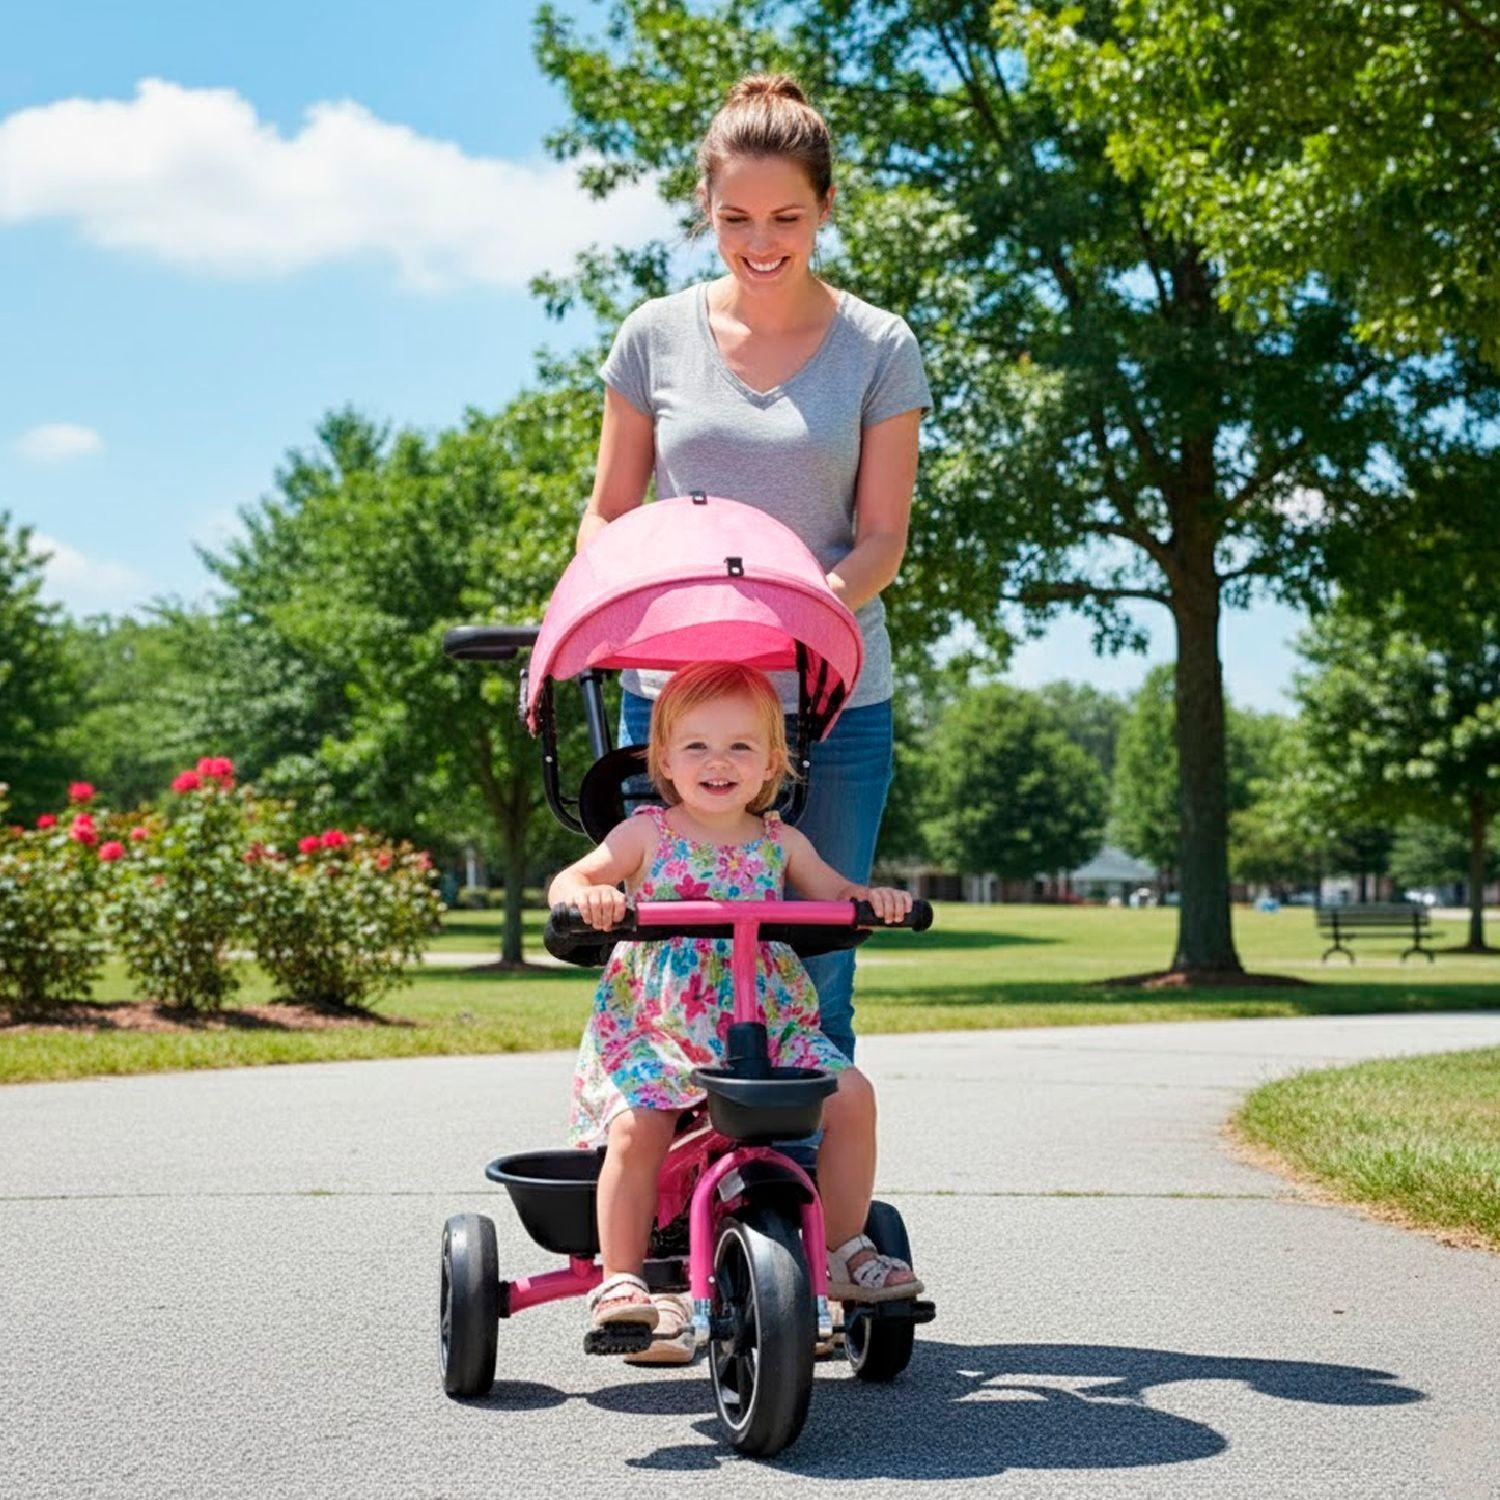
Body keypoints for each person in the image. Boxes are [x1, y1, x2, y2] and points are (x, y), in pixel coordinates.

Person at [579, 71, 931, 1071]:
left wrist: (798, 617)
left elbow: (881, 538)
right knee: (670, 958)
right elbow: (610, 510)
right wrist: (610, 597)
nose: (760, 238)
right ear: (706, 208)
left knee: (815, 962)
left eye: (786, 214)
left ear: (825, 205)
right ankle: (668, 1183)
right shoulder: (655, 337)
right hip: (681, 697)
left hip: (834, 697)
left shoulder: (877, 349)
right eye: (735, 216)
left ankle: (818, 1217)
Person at [549, 662, 922, 1359]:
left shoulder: (781, 842)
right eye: (696, 747)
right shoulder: (646, 833)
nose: (718, 762)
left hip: (769, 1024)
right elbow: (575, 876)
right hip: (659, 1028)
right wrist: (587, 897)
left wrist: (877, 901)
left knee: (852, 1097)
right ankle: (622, 1279)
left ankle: (842, 1247)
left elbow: (840, 894)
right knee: (638, 1128)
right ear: (664, 759)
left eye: (741, 747)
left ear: (771, 764)